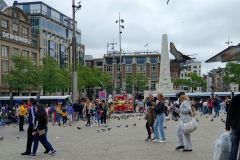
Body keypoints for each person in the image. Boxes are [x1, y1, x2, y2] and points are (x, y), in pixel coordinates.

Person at [226, 94, 240, 160]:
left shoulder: (234, 98)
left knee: (234, 147)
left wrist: (227, 125)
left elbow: (230, 112)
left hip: (235, 125)